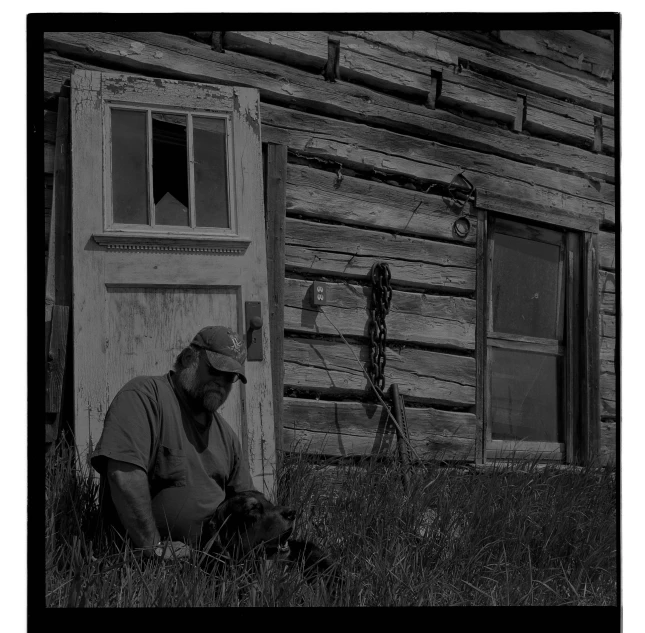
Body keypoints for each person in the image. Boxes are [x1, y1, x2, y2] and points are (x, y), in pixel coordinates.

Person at [91, 326, 254, 560]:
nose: (221, 382)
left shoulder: (226, 435)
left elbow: (249, 504)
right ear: (189, 359)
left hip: (212, 563)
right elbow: (124, 476)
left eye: (230, 378)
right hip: (143, 563)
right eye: (215, 371)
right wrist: (154, 548)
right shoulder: (145, 397)